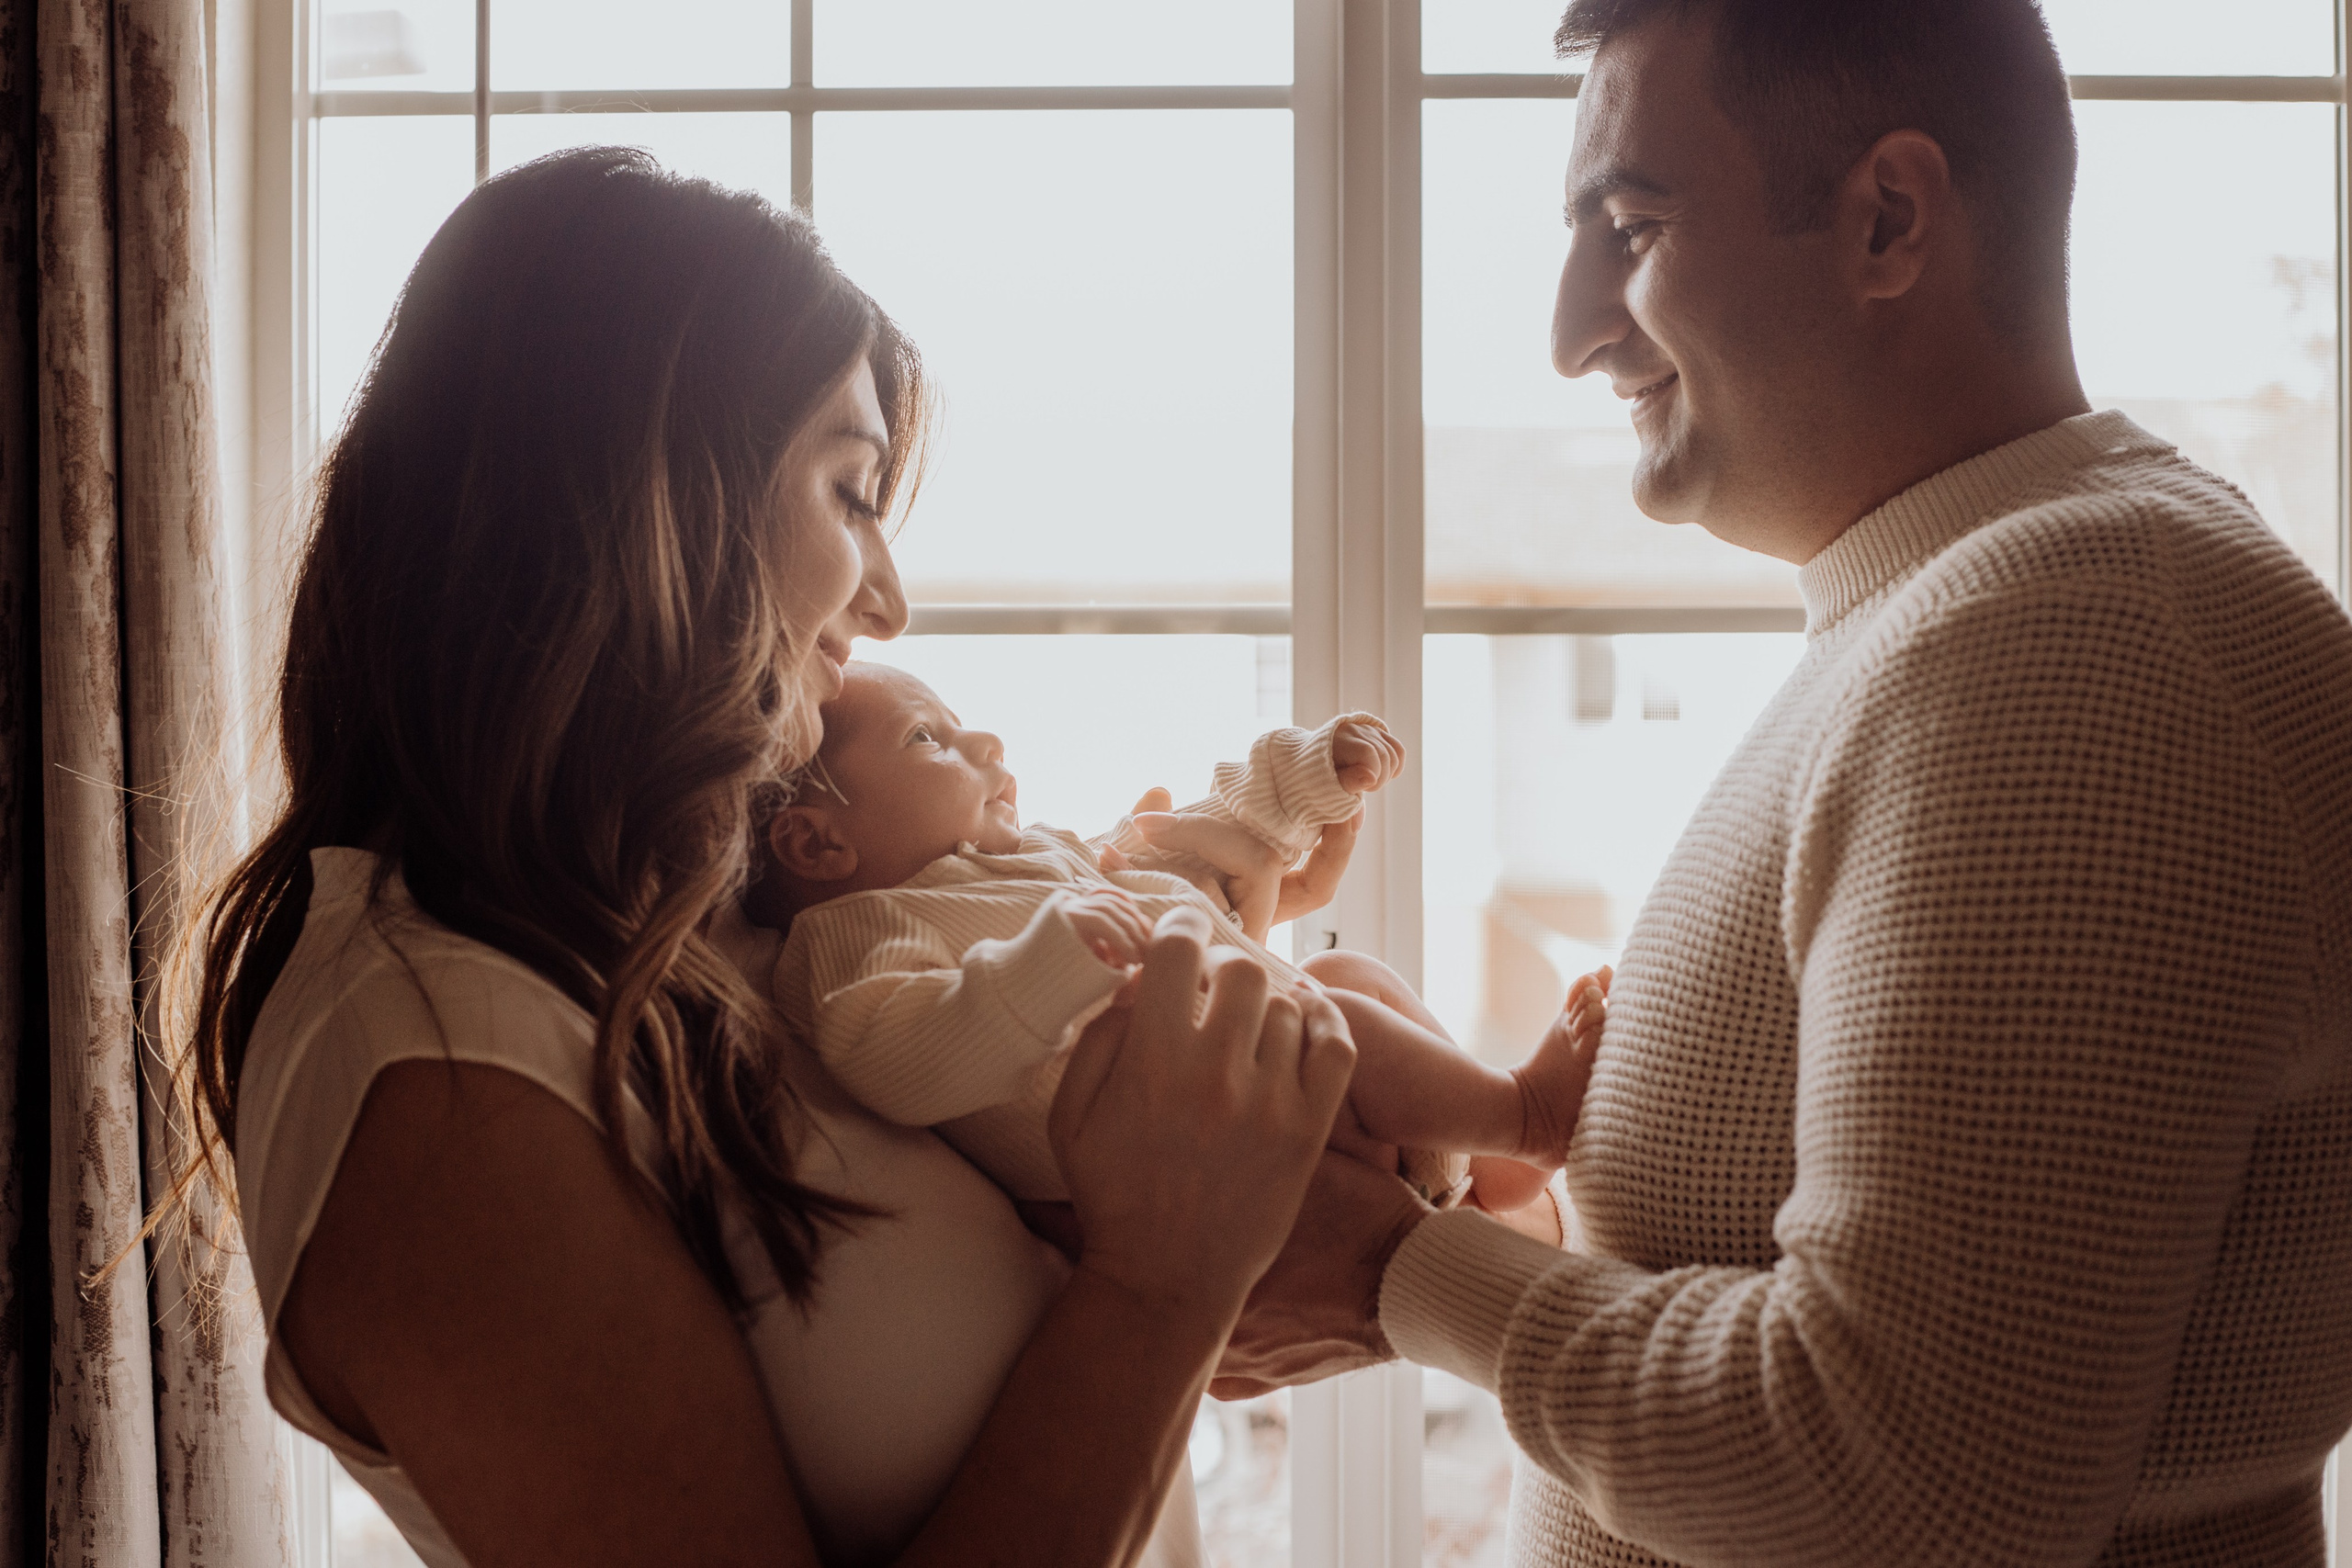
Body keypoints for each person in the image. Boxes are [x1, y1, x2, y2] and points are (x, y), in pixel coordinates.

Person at [1215, 3, 2352, 1565]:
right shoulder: (1971, 606)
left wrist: (1396, 1276)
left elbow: (1915, 1477)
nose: (1572, 329)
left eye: (1631, 228)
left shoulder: (2075, 638)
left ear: (1888, 219)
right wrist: (1489, 1203)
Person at [180, 147, 1361, 1568]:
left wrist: (1197, 966)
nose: (890, 599)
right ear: (646, 497)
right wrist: (1164, 1285)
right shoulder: (435, 1077)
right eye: (853, 494)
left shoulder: (710, 920)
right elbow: (1121, 1291)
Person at [752, 661, 1606, 1212]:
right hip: (1188, 1144)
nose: (983, 739)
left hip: (1258, 1083)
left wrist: (1305, 778)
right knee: (1335, 1009)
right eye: (925, 738)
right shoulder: (853, 932)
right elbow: (897, 1056)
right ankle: (1524, 1113)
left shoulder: (1042, 853)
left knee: (1346, 973)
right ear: (817, 843)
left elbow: (1190, 845)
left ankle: (1485, 1161)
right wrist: (1042, 968)